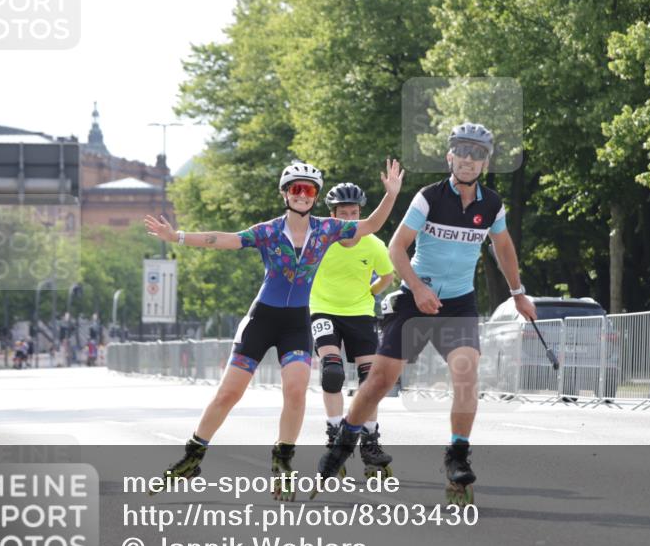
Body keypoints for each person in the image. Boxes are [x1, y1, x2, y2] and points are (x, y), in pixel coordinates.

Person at [144, 159, 403, 499]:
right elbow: (224, 239)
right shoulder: (268, 231)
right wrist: (176, 236)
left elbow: (369, 225)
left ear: (315, 196)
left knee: (295, 391)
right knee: (228, 394)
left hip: (296, 323)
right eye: (295, 188)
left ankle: (283, 461)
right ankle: (192, 456)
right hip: (261, 320)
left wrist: (392, 195)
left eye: (308, 189)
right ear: (285, 193)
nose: (301, 194)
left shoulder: (328, 229)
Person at [317, 123, 536, 505]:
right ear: (450, 157)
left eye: (477, 154)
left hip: (459, 304)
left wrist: (518, 293)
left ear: (485, 162)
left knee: (467, 375)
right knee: (380, 382)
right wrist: (417, 288)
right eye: (462, 152)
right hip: (414, 300)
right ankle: (343, 443)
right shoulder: (428, 197)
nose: (468, 160)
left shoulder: (491, 204)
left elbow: (503, 247)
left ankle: (457, 455)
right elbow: (396, 248)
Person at [309, 182, 396, 477]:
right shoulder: (320, 241)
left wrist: (369, 293)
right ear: (332, 215)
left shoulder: (372, 243)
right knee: (332, 371)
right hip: (323, 310)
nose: (349, 218)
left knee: (370, 380)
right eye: (343, 213)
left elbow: (387, 275)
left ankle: (369, 441)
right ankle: (335, 436)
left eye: (354, 213)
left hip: (359, 313)